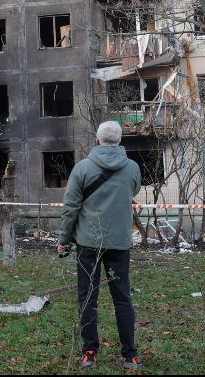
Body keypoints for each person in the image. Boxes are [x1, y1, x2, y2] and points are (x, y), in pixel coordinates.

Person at [57, 120, 143, 371]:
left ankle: (89, 353)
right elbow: (133, 189)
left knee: (87, 298)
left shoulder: (82, 168)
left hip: (88, 244)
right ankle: (130, 356)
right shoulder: (132, 168)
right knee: (123, 298)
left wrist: (63, 241)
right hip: (119, 244)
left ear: (97, 140)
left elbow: (70, 208)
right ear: (119, 141)